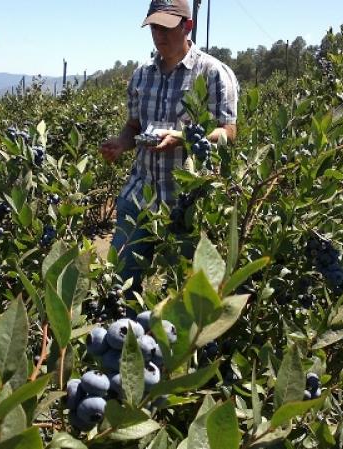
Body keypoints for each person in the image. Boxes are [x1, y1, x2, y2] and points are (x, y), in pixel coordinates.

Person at [99, 0, 239, 292]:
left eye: (166, 27)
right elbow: (133, 126)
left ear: (187, 26)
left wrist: (183, 138)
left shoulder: (213, 73)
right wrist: (121, 144)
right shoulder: (141, 75)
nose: (159, 35)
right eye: (154, 27)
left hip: (187, 202)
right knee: (117, 284)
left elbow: (229, 132)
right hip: (140, 193)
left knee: (186, 292)